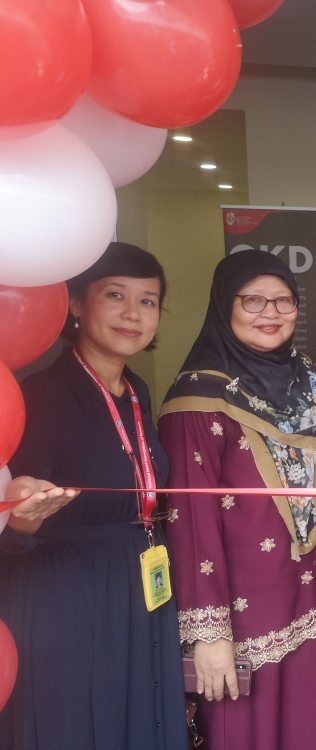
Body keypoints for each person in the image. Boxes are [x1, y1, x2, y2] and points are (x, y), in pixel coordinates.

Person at [158, 251, 316, 750]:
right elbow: (191, 521)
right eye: (252, 300)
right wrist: (209, 633)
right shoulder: (198, 398)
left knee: (305, 724)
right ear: (225, 305)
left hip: (308, 589)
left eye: (283, 300)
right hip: (239, 611)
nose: (271, 312)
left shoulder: (307, 380)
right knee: (245, 731)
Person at [0, 242, 188, 750]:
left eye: (148, 301)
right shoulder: (40, 394)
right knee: (78, 721)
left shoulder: (137, 391)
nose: (133, 314)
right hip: (68, 593)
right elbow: (15, 517)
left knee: (137, 717)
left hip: (137, 579)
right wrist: (23, 513)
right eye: (116, 295)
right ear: (78, 304)